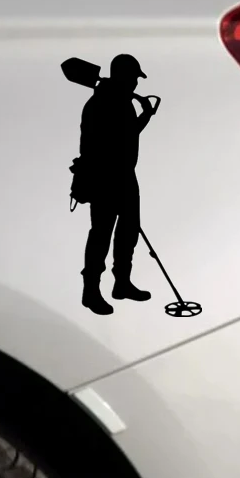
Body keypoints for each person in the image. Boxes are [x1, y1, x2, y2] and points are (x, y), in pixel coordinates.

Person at [78, 54, 157, 315]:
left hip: (125, 176)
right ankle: (91, 292)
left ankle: (122, 283)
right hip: (105, 178)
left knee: (128, 232)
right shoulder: (103, 101)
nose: (136, 83)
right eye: (134, 77)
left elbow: (128, 133)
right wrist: (143, 114)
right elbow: (105, 140)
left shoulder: (120, 101)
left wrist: (145, 115)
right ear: (124, 76)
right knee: (101, 235)